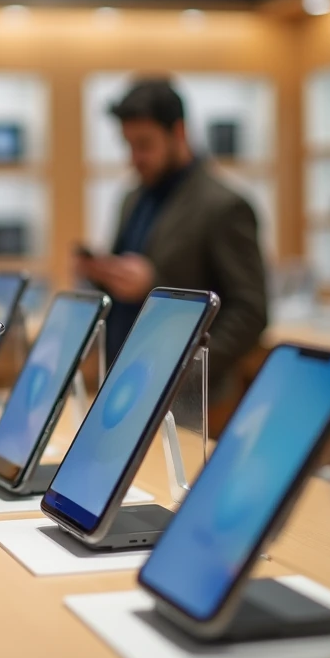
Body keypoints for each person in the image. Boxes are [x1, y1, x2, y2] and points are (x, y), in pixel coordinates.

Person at [75, 78, 268, 411]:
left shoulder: (225, 205)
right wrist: (100, 274)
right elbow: (132, 284)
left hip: (187, 401)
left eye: (145, 144)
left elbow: (251, 312)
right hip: (125, 385)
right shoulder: (133, 197)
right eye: (128, 145)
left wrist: (184, 368)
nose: (134, 158)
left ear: (178, 132)